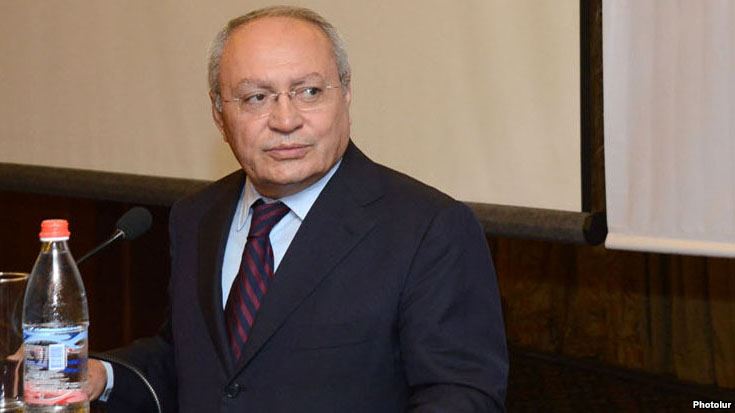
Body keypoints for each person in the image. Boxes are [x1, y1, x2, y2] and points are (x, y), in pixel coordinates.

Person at [87, 5, 508, 412]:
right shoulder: (196, 216)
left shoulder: (427, 228)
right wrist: (103, 376)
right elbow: (195, 364)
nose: (286, 120)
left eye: (309, 92)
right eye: (256, 97)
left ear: (346, 94)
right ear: (218, 114)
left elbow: (462, 393)